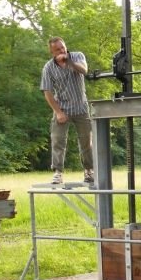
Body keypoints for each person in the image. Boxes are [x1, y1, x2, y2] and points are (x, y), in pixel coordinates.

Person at [40, 36, 94, 186]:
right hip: (62, 107)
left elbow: (84, 70)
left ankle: (89, 170)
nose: (62, 50)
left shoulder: (77, 56)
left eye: (63, 47)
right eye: (57, 49)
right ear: (52, 52)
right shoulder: (48, 68)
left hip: (81, 106)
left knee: (86, 141)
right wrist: (58, 112)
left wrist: (68, 61)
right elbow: (47, 92)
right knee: (58, 139)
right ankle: (58, 172)